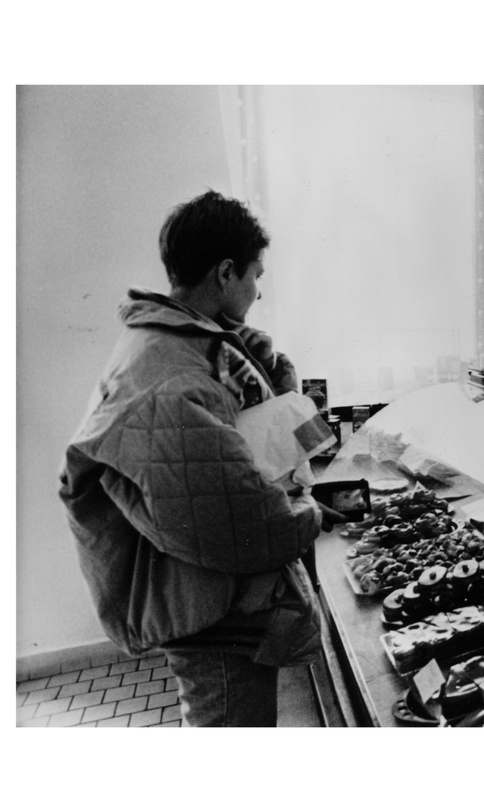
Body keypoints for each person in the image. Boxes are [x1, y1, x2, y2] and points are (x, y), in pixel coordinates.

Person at [59, 190, 344, 726]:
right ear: (226, 272)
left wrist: (268, 369)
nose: (258, 292)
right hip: (208, 614)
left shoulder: (175, 341)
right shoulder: (173, 382)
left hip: (203, 597)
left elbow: (256, 439)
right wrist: (310, 517)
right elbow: (237, 522)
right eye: (256, 276)